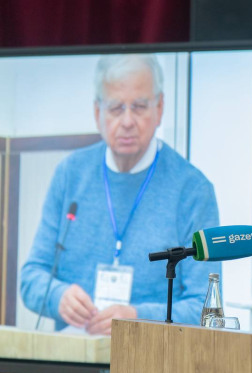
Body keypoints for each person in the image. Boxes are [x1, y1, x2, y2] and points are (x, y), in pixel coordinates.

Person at [20, 54, 220, 335]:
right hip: (77, 356)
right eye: (116, 108)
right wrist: (57, 296)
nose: (127, 121)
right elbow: (31, 278)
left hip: (153, 358)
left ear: (160, 108)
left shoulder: (193, 190)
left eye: (139, 107)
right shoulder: (70, 174)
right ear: (97, 112)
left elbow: (204, 307)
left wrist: (138, 318)